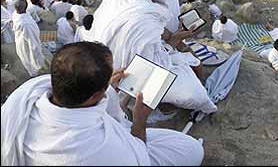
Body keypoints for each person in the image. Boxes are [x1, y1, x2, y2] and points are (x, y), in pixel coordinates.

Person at [1, 42, 204, 166]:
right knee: (192, 149)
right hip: (123, 144)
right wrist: (139, 120)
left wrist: (111, 91)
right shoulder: (102, 149)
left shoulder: (27, 94)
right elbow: (138, 159)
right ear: (96, 95)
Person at [90, 0, 217, 112]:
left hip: (111, 47)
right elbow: (148, 68)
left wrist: (171, 37)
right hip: (118, 71)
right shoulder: (141, 23)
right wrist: (173, 45)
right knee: (195, 94)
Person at [12, 0, 45, 77]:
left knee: (26, 59)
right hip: (26, 44)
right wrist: (39, 56)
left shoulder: (15, 14)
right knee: (32, 62)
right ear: (26, 8)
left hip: (20, 41)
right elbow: (33, 43)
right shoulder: (27, 24)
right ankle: (35, 76)